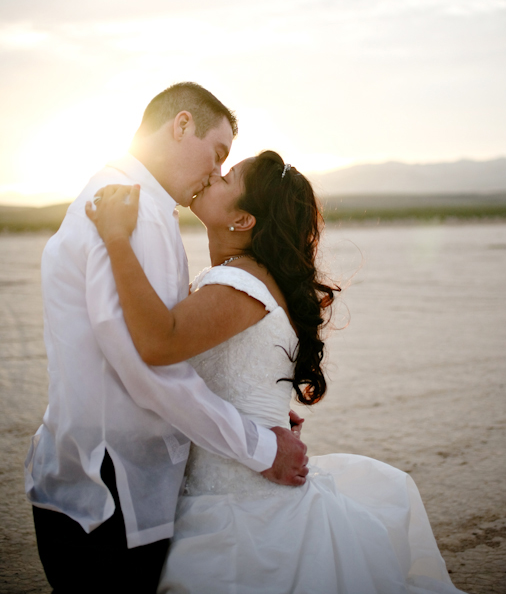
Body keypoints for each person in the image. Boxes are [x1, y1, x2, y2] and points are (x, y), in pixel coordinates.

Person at [86, 150, 467, 594]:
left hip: (239, 511)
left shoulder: (240, 283)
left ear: (243, 220)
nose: (212, 176)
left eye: (227, 177)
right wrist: (267, 412)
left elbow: (159, 341)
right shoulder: (247, 277)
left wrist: (115, 237)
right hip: (232, 485)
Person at [25, 84, 307, 594]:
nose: (216, 172)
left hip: (79, 476)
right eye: (217, 153)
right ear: (180, 126)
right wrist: (262, 446)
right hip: (113, 489)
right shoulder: (137, 213)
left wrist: (250, 402)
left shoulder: (109, 195)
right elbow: (150, 361)